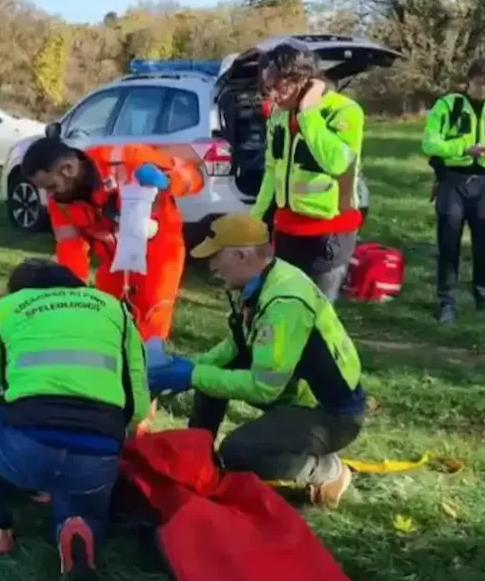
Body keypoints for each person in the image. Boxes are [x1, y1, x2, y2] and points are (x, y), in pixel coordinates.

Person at [0, 257, 151, 581]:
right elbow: (138, 399)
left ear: (19, 289)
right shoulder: (116, 310)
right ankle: (75, 529)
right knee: (84, 509)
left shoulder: (4, 310)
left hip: (27, 449)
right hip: (97, 454)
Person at [149, 213, 365, 509]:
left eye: (216, 257)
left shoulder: (283, 303)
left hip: (329, 415)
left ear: (241, 255)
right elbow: (238, 346)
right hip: (297, 393)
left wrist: (191, 375)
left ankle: (328, 471)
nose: (211, 266)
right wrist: (186, 366)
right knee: (213, 372)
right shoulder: (266, 279)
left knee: (239, 451)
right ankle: (198, 458)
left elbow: (265, 387)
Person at [21, 138, 203, 342]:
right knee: (103, 319)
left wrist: (167, 181)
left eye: (51, 186)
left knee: (152, 320)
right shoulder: (61, 202)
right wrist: (71, 294)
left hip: (159, 252)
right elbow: (70, 249)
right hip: (114, 261)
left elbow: (193, 178)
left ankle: (148, 367)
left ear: (68, 168)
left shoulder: (126, 159)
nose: (50, 195)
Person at [251, 43, 365, 301]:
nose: (273, 97)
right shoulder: (278, 114)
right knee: (286, 306)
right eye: (267, 89)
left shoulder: (345, 111)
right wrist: (256, 220)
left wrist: (308, 114)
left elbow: (337, 163)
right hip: (288, 229)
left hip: (329, 230)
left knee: (318, 315)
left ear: (301, 79)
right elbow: (273, 169)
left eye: (278, 87)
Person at [422, 58, 485, 323]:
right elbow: (430, 143)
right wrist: (464, 149)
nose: (483, 89)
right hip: (453, 180)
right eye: (478, 83)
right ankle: (446, 302)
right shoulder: (448, 105)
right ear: (468, 80)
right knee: (449, 243)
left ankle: (483, 298)